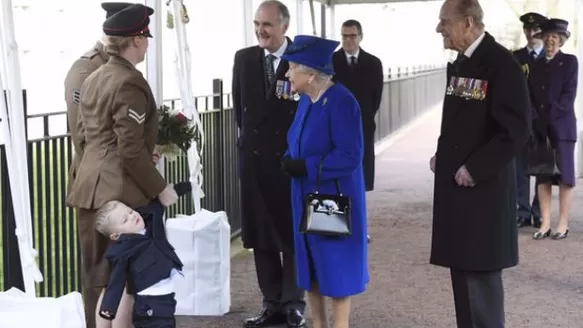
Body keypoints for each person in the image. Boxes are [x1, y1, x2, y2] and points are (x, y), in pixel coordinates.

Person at [66, 4, 178, 328]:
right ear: (136, 39)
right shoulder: (129, 82)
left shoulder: (94, 76)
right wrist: (161, 188)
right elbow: (129, 152)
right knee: (126, 279)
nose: (147, 43)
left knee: (98, 276)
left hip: (89, 189)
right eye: (145, 37)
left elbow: (84, 138)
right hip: (119, 192)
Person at [430, 1, 529, 327]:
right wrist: (443, 157)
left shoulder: (501, 64)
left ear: (467, 22)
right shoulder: (462, 62)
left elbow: (515, 130)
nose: (439, 28)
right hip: (459, 193)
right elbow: (463, 124)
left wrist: (474, 168)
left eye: (444, 22)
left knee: (480, 285)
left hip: (482, 194)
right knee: (463, 280)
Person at [281, 34, 368, 328]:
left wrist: (304, 166)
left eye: (292, 67)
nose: (287, 73)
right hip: (303, 194)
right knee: (310, 265)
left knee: (335, 266)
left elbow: (349, 156)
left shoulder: (342, 101)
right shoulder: (307, 100)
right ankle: (317, 324)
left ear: (311, 72)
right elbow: (298, 138)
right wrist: (287, 157)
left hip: (331, 197)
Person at [63, 3, 138, 327]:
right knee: (99, 273)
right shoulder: (86, 69)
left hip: (123, 186)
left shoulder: (119, 66)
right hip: (98, 189)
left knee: (125, 272)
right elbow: (84, 139)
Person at [231, 1, 305, 327]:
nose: (261, 30)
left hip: (288, 162)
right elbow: (239, 109)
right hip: (254, 161)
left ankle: (293, 304)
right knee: (260, 236)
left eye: (267, 24)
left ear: (284, 27)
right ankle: (271, 303)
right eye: (257, 23)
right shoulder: (244, 59)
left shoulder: (301, 59)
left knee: (290, 235)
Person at [97, 182, 191, 328]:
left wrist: (187, 186)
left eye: (129, 211)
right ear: (116, 235)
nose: (132, 216)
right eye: (125, 220)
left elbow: (159, 202)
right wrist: (108, 309)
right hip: (148, 303)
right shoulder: (123, 250)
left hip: (165, 298)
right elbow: (116, 281)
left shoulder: (149, 220)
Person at [332, 19, 383, 243]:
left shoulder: (373, 63)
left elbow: (376, 99)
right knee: (337, 178)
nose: (348, 40)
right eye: (344, 36)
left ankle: (360, 227)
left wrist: (363, 119)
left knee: (359, 180)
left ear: (360, 37)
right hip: (335, 129)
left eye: (352, 36)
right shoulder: (331, 61)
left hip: (362, 128)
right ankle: (337, 225)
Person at [528, 18, 578, 240]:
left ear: (561, 40)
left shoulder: (570, 62)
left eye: (555, 36)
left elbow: (569, 95)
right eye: (547, 35)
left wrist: (550, 118)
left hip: (562, 128)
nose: (551, 39)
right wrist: (536, 120)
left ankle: (563, 223)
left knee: (565, 177)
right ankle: (545, 223)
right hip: (540, 129)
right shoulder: (535, 66)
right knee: (543, 176)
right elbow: (528, 97)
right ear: (542, 38)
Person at [512, 12, 547, 228]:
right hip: (521, 121)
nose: (531, 33)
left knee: (543, 170)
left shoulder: (550, 57)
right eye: (528, 29)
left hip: (543, 122)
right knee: (520, 169)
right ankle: (522, 211)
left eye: (536, 30)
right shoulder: (515, 58)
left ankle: (538, 211)